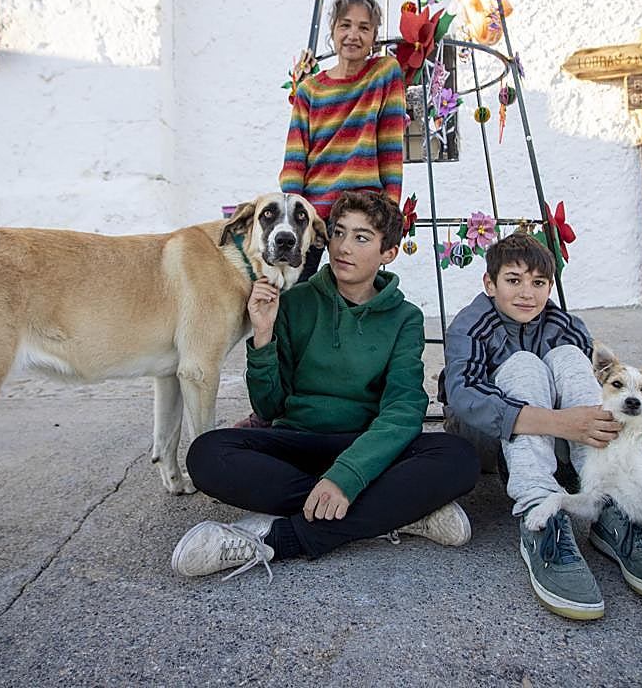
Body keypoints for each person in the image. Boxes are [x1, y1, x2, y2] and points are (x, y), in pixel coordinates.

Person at [171, 191, 478, 580]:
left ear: (389, 253)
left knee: (459, 458)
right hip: (296, 444)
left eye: (362, 238)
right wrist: (262, 335)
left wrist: (345, 477)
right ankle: (393, 514)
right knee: (206, 454)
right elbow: (269, 408)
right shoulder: (294, 302)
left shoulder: (405, 318)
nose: (343, 248)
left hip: (365, 446)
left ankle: (274, 539)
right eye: (338, 232)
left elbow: (403, 412)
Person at [441, 232, 642, 620]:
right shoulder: (471, 324)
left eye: (538, 283)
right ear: (490, 284)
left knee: (572, 358)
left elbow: (612, 393)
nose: (527, 293)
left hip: (559, 440)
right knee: (524, 364)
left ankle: (610, 504)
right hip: (484, 441)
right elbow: (464, 397)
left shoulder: (564, 324)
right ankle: (539, 513)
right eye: (513, 280)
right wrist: (560, 421)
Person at [280, 0, 406, 282]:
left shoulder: (384, 74)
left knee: (356, 287)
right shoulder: (310, 89)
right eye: (345, 25)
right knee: (297, 288)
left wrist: (390, 210)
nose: (353, 35)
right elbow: (295, 158)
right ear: (333, 31)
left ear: (374, 36)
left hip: (363, 210)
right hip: (315, 212)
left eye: (364, 28)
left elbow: (390, 149)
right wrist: (296, 214)